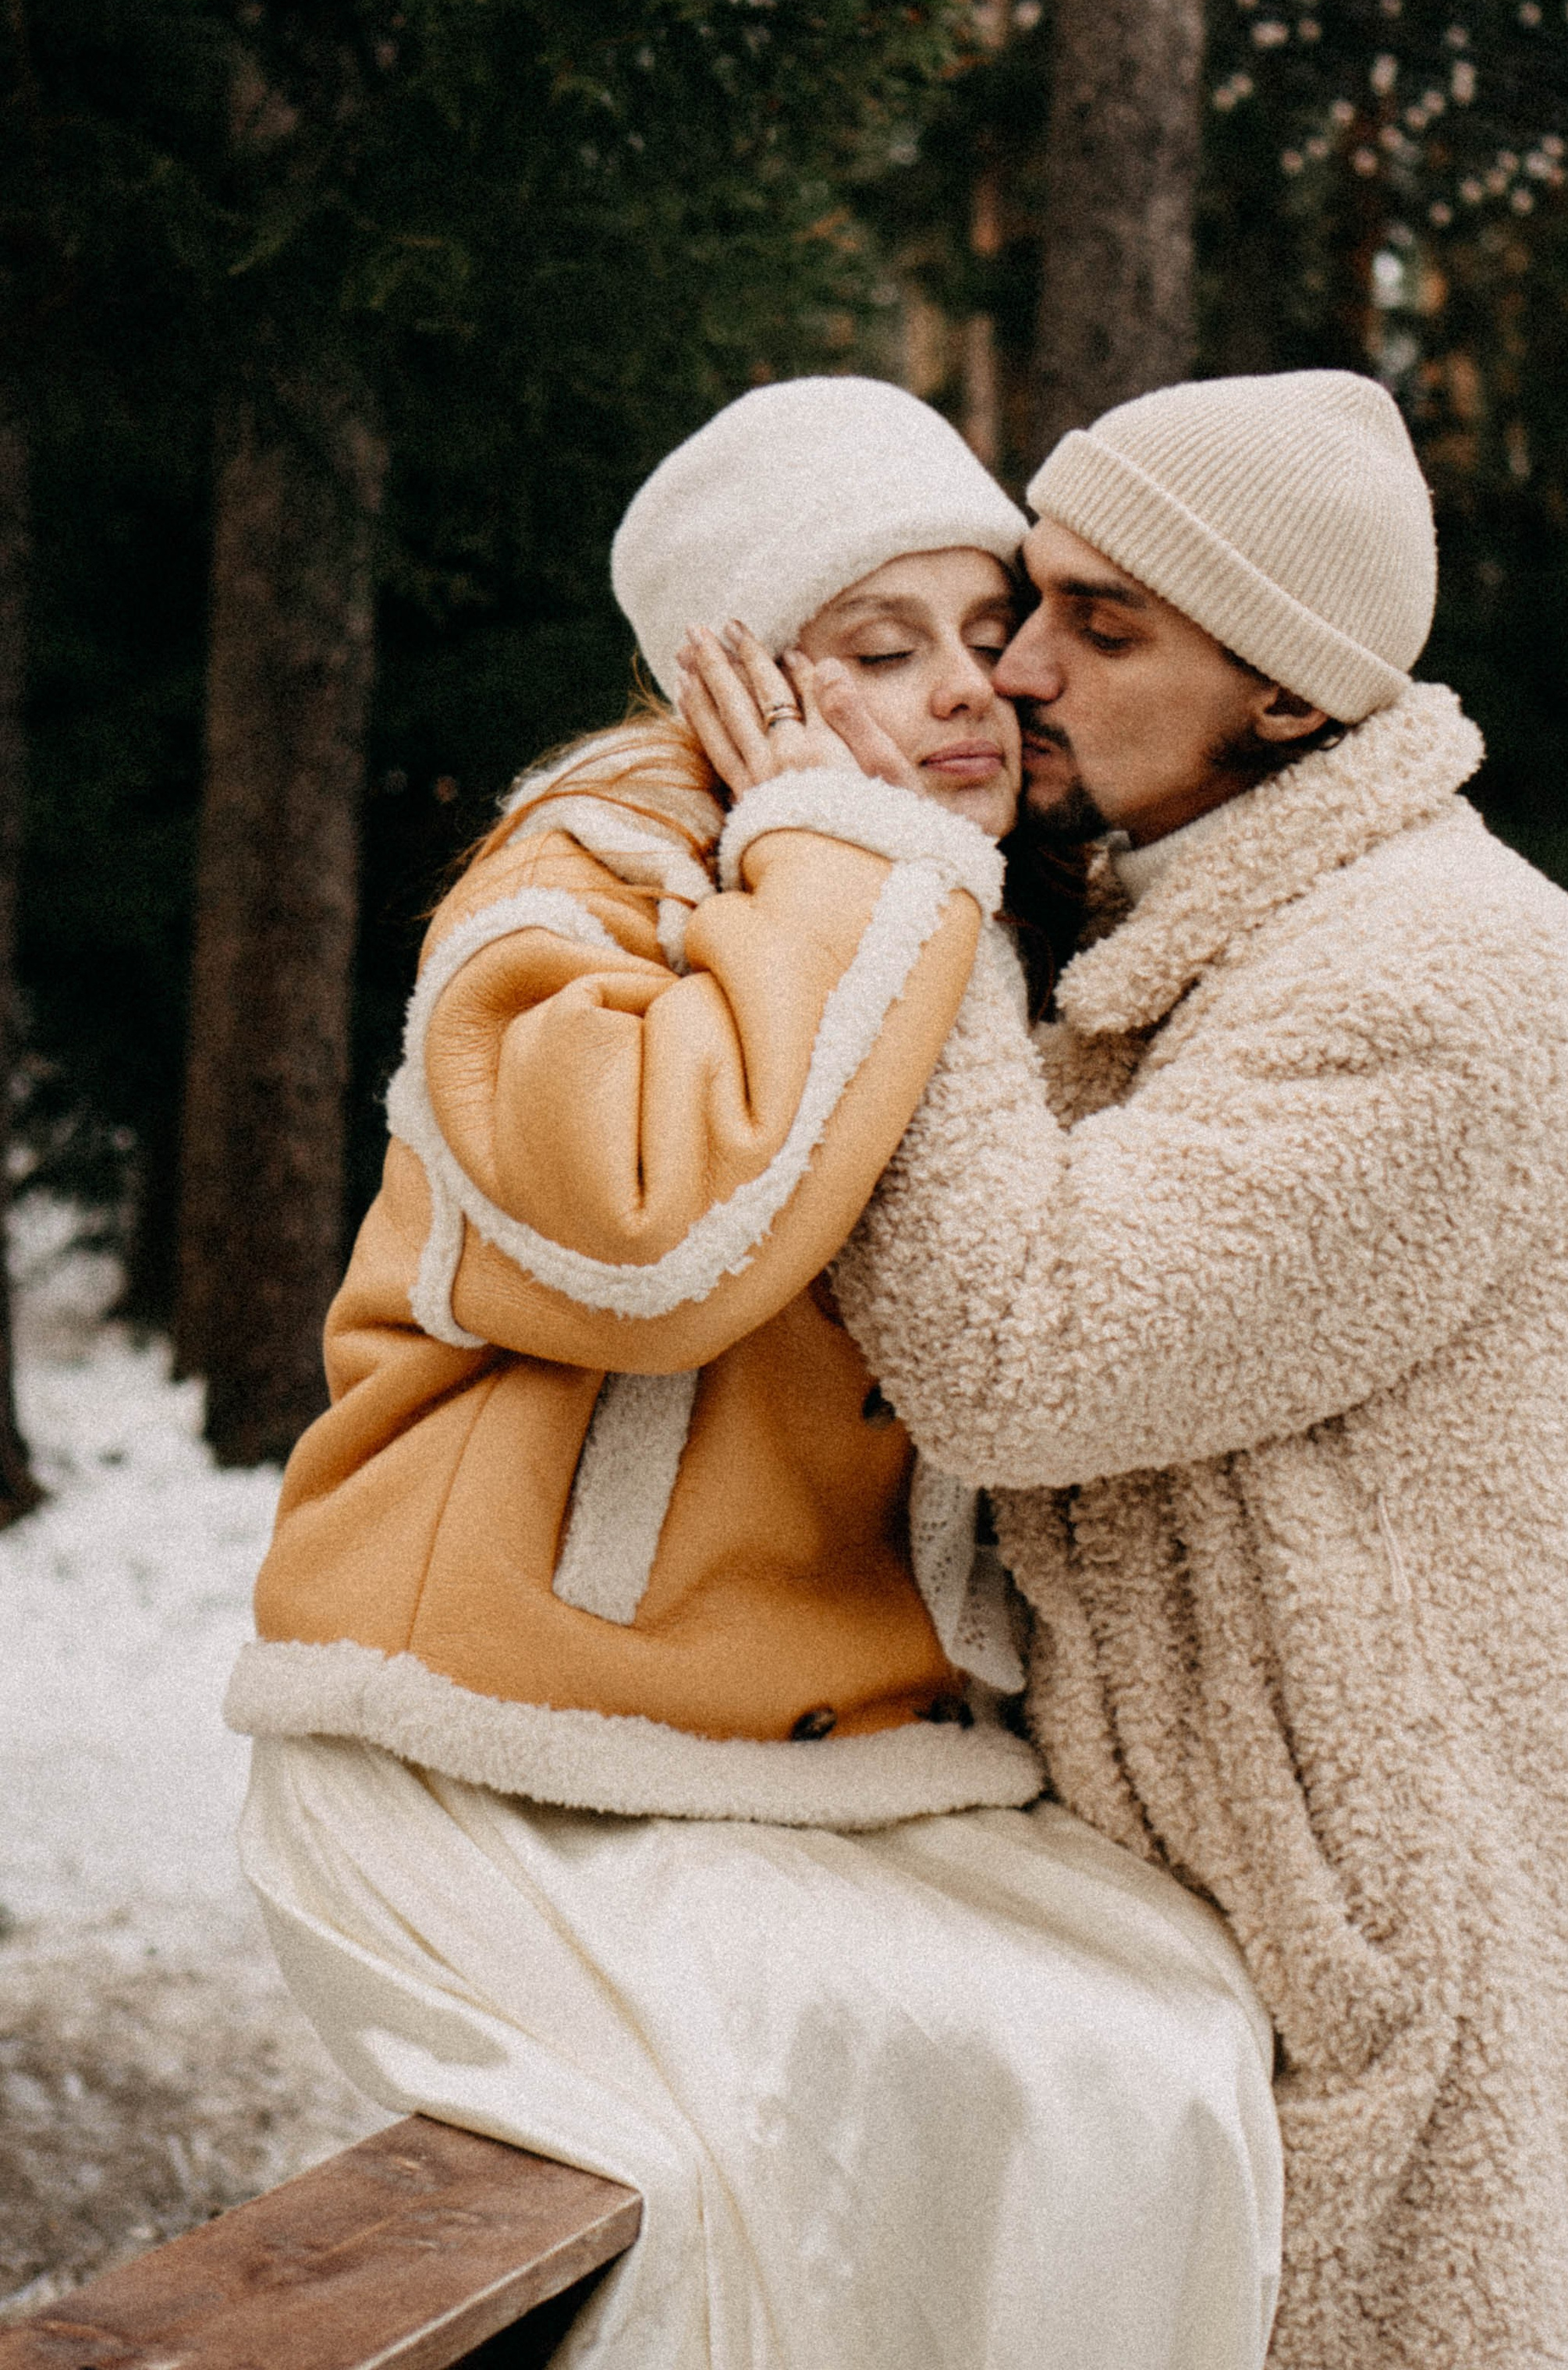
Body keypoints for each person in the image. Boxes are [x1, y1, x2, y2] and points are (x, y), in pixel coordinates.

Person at [226, 377, 1284, 2370]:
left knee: (1173, 2047)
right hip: (503, 1746)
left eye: (987, 632)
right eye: (877, 648)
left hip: (825, 1764)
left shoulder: (954, 903)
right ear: (721, 682)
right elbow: (652, 1232)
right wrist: (847, 853)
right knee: (903, 2127)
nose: (968, 690)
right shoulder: (575, 882)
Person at [730, 370, 1568, 2370]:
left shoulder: (1434, 975)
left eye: (1102, 626)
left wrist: (881, 867)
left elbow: (1022, 1356)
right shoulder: (1215, 926)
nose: (1016, 669)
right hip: (1255, 1919)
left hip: (1415, 1956)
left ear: (1282, 694)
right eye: (1033, 596)